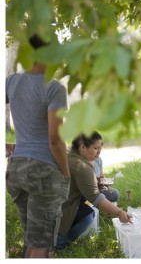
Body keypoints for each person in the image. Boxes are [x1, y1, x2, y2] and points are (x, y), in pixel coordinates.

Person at [6, 33, 71, 258]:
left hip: (15, 171)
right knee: (42, 246)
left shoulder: (12, 82)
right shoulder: (54, 89)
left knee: (32, 240)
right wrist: (66, 173)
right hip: (43, 173)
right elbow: (55, 140)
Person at [56, 132, 131, 249]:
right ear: (82, 147)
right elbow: (95, 198)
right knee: (88, 216)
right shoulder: (80, 166)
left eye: (101, 148)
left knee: (111, 195)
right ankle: (60, 242)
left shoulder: (70, 151)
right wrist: (119, 212)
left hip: (46, 205)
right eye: (96, 148)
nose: (99, 153)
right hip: (59, 208)